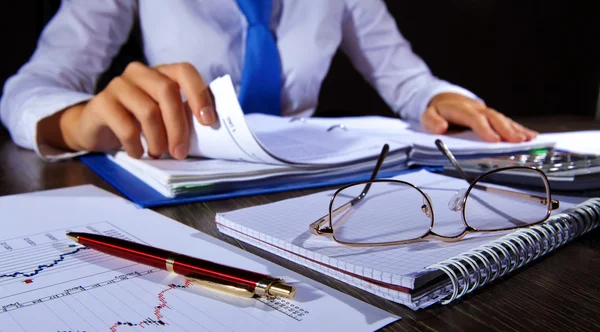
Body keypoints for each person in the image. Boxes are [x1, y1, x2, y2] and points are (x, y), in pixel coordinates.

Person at [0, 0, 537, 161]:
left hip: (312, 180)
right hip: (188, 178)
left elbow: (405, 77)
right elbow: (34, 84)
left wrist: (439, 96)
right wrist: (77, 122)